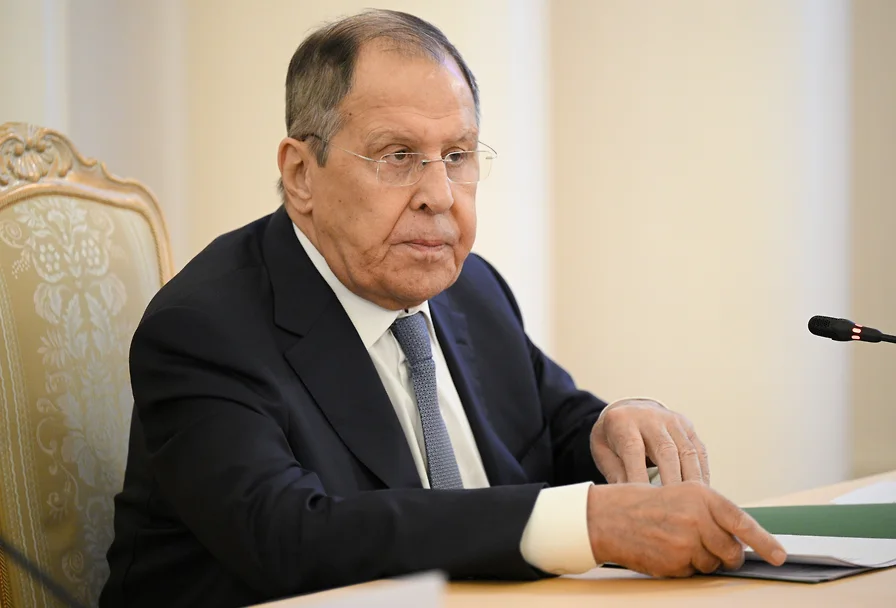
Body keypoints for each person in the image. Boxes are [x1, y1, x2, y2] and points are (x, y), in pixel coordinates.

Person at [99, 9, 785, 608]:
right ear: (301, 174)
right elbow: (292, 537)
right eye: (398, 156)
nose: (440, 195)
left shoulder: (469, 289)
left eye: (457, 155)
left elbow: (554, 429)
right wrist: (588, 524)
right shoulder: (206, 328)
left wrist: (621, 424)